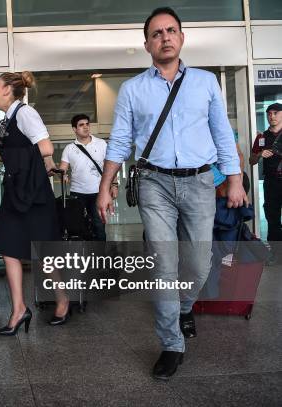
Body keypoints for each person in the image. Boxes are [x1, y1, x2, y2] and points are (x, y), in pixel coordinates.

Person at [96, 7, 246, 380]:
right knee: (164, 264)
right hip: (154, 183)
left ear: (181, 38)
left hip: (199, 182)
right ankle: (171, 343)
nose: (165, 36)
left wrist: (236, 179)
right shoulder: (133, 89)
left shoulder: (206, 82)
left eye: (171, 30)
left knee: (198, 263)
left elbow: (223, 135)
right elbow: (119, 142)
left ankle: (183, 306)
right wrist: (105, 187)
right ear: (147, 43)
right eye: (157, 33)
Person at [0, 71, 63, 334]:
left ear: (8, 89)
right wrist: (2, 155)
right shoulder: (6, 120)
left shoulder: (25, 113)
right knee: (9, 249)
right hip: (16, 192)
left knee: (44, 254)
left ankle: (63, 299)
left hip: (33, 194)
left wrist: (5, 154)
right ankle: (19, 309)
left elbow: (46, 148)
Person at [59, 114, 117, 241]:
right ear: (74, 129)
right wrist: (63, 175)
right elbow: (62, 168)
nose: (85, 127)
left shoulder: (101, 144)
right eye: (81, 125)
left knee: (99, 225)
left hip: (99, 192)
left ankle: (100, 257)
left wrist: (114, 185)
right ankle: (85, 257)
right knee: (79, 226)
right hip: (77, 193)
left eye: (87, 124)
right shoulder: (69, 148)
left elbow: (111, 165)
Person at [249, 102, 282, 263]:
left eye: (276, 113)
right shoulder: (261, 137)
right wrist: (260, 154)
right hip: (271, 182)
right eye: (270, 113)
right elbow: (251, 160)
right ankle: (276, 255)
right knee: (272, 218)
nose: (272, 116)